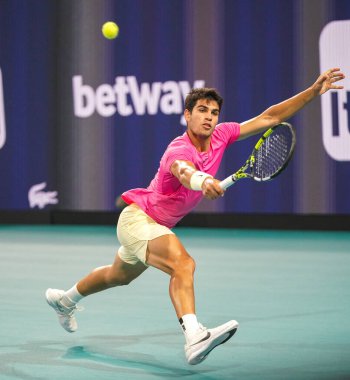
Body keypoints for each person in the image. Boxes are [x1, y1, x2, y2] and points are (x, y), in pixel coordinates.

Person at [46, 68, 344, 365]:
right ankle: (194, 337)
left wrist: (312, 92)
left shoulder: (222, 134)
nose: (209, 117)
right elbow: (184, 171)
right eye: (202, 110)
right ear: (187, 115)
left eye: (214, 112)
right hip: (138, 220)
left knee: (117, 276)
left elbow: (270, 117)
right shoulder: (178, 148)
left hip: (157, 225)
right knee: (183, 264)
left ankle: (65, 300)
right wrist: (203, 181)